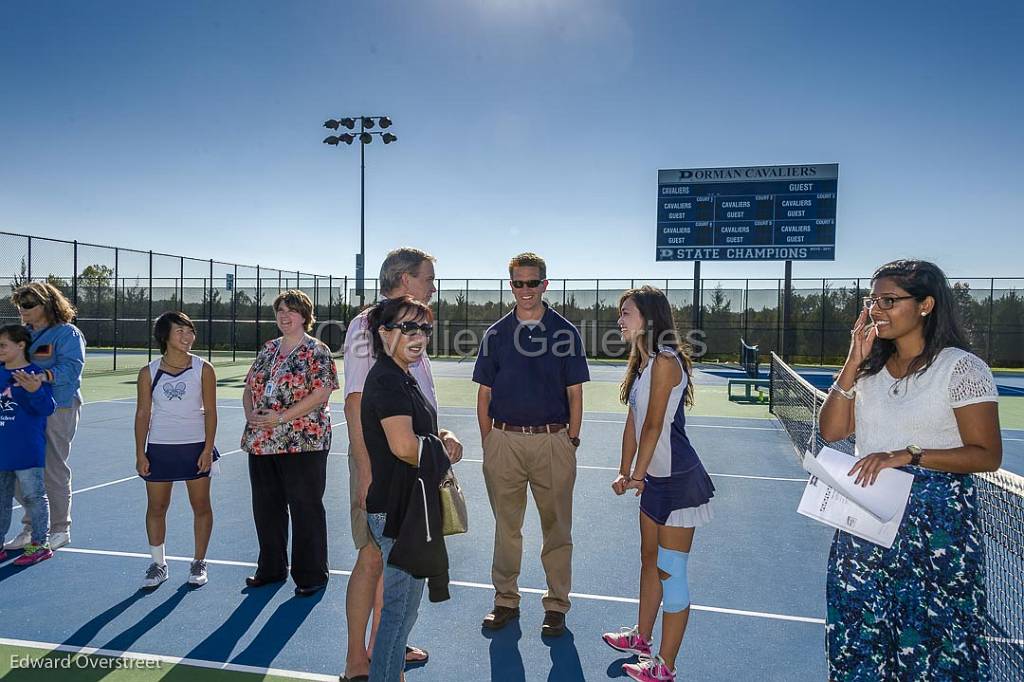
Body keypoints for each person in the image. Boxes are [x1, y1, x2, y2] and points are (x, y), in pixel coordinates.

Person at [818, 259, 1001, 681]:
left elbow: (986, 454)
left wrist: (908, 455)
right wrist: (853, 359)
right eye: (872, 301)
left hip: (935, 532)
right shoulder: (868, 372)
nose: (876, 310)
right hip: (865, 528)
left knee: (937, 646)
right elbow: (832, 430)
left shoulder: (961, 367)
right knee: (858, 641)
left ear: (925, 305)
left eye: (889, 300)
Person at [342, 247, 462, 682]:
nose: (434, 286)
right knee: (376, 560)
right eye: (429, 277)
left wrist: (439, 435)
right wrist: (366, 469)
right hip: (385, 470)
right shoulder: (369, 327)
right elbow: (356, 401)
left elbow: (414, 406)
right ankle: (364, 661)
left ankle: (385, 651)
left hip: (408, 473)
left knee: (394, 574)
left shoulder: (408, 337)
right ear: (405, 279)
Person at [473, 252, 589, 637]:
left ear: (545, 284)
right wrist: (490, 442)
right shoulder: (496, 334)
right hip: (504, 442)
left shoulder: (564, 332)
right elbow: (484, 394)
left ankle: (556, 605)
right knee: (507, 527)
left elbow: (575, 393)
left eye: (532, 282)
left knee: (556, 529)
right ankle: (505, 599)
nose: (525, 290)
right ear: (511, 286)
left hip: (553, 442)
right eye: (518, 283)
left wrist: (570, 440)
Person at [603, 286, 715, 682]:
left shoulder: (667, 362)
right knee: (648, 560)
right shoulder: (644, 364)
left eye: (627, 312)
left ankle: (665, 666)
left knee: (671, 571)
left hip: (678, 482)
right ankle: (642, 639)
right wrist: (624, 469)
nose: (620, 319)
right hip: (653, 479)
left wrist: (637, 474)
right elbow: (633, 422)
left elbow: (654, 426)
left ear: (649, 318)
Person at [240, 290, 339, 597]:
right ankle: (270, 569)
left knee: (305, 508)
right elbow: (249, 388)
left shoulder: (317, 350)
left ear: (305, 316)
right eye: (280, 310)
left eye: (292, 311)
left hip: (303, 442)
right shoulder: (268, 349)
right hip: (262, 442)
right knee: (266, 508)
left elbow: (321, 394)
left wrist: (281, 418)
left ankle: (311, 575)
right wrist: (252, 416)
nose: (285, 316)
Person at [133, 312, 218, 589]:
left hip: (195, 447)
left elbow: (211, 412)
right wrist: (140, 452)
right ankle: (158, 564)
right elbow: (143, 413)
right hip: (160, 447)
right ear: (165, 336)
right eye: (180, 331)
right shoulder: (148, 372)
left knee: (201, 506)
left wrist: (207, 448)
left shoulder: (203, 368)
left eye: (190, 331)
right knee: (157, 507)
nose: (187, 336)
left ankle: (199, 561)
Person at [4, 283, 85, 552]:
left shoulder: (67, 334)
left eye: (28, 304)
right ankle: (32, 526)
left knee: (51, 468)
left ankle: (60, 527)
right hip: (23, 411)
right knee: (18, 470)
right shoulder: (21, 335)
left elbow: (71, 370)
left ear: (47, 304)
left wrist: (42, 376)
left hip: (58, 407)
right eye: (20, 305)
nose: (22, 310)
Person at [0, 324, 56, 566]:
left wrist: (34, 391)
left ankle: (40, 544)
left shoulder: (35, 374)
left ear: (20, 345)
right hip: (2, 450)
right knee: (1, 499)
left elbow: (46, 409)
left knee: (34, 496)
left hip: (27, 449)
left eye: (3, 345)